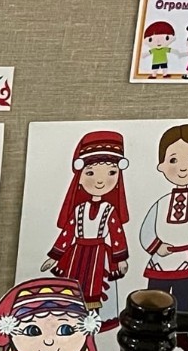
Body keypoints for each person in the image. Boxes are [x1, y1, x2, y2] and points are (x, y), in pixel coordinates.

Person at [138, 123, 188, 347]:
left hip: (186, 261)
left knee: (184, 301)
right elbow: (146, 229)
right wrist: (156, 246)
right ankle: (150, 336)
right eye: (173, 160)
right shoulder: (161, 203)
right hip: (161, 260)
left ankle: (182, 335)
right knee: (153, 301)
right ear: (162, 165)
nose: (182, 168)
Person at [44, 130, 129, 329]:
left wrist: (120, 258)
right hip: (77, 256)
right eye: (90, 173)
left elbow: (117, 235)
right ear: (80, 178)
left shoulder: (109, 210)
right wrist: (55, 256)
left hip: (101, 257)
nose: (100, 181)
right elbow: (67, 234)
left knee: (101, 290)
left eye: (111, 173)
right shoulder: (78, 210)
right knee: (73, 289)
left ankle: (100, 323)